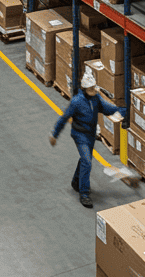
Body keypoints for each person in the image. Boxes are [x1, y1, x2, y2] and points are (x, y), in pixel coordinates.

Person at [49, 68, 125, 208]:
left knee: (85, 159)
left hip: (90, 135)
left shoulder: (95, 98)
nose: (93, 91)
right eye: (90, 89)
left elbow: (106, 108)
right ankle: (84, 194)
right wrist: (55, 134)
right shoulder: (77, 102)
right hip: (80, 135)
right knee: (87, 161)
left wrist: (122, 110)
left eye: (93, 88)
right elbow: (65, 117)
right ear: (84, 89)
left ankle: (76, 181)